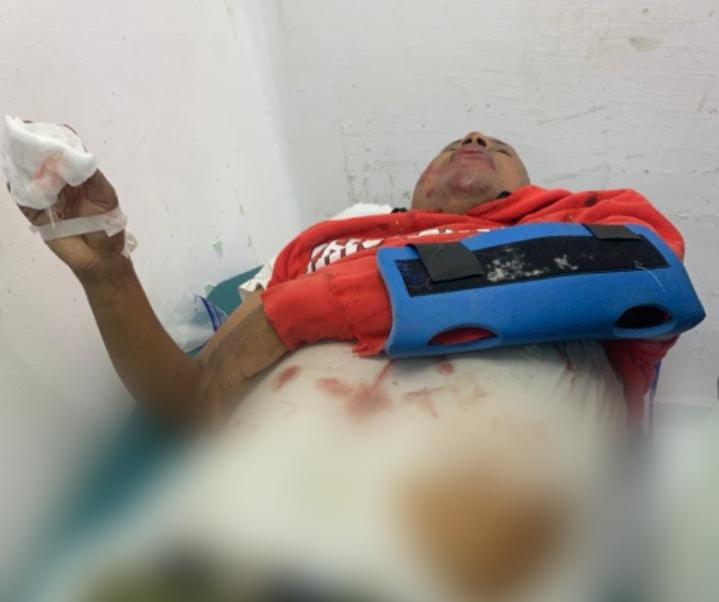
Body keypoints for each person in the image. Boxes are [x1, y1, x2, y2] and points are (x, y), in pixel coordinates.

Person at [10, 130, 687, 601]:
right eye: (452, 142)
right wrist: (109, 276)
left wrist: (304, 309)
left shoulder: (582, 219)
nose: (474, 137)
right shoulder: (318, 247)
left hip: (469, 554)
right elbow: (197, 402)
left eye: (499, 146)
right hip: (236, 544)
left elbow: (641, 276)